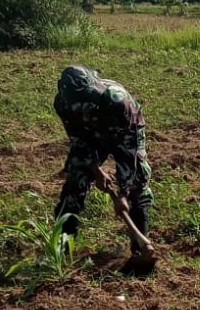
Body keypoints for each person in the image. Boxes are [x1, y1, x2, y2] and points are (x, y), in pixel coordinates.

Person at [52, 65, 153, 252]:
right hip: (90, 136)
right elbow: (79, 141)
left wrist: (123, 192)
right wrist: (96, 171)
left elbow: (128, 152)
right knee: (75, 179)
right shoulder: (62, 104)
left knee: (137, 183)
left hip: (124, 132)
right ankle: (62, 248)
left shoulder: (117, 101)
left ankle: (140, 249)